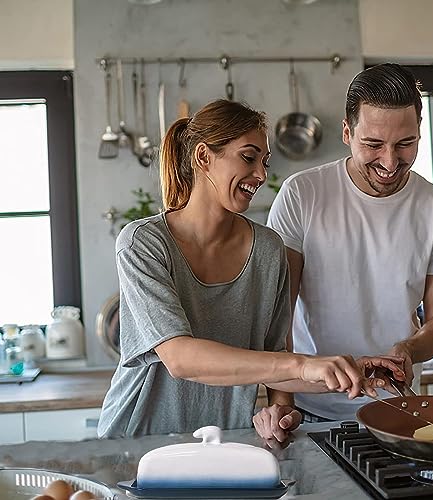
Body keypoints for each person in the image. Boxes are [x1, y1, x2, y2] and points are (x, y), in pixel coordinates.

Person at [97, 99, 405, 440]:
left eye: (264, 162)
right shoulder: (143, 243)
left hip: (223, 444)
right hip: (137, 444)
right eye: (248, 157)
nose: (260, 174)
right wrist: (304, 364)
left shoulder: (269, 250)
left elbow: (274, 360)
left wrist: (333, 378)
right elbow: (180, 358)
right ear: (203, 157)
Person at [267, 63, 433, 425]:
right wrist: (281, 404)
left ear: (420, 131)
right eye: (373, 144)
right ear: (346, 132)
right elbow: (279, 316)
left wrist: (409, 349)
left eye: (406, 144)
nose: (390, 162)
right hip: (314, 412)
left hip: (398, 408)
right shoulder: (302, 194)